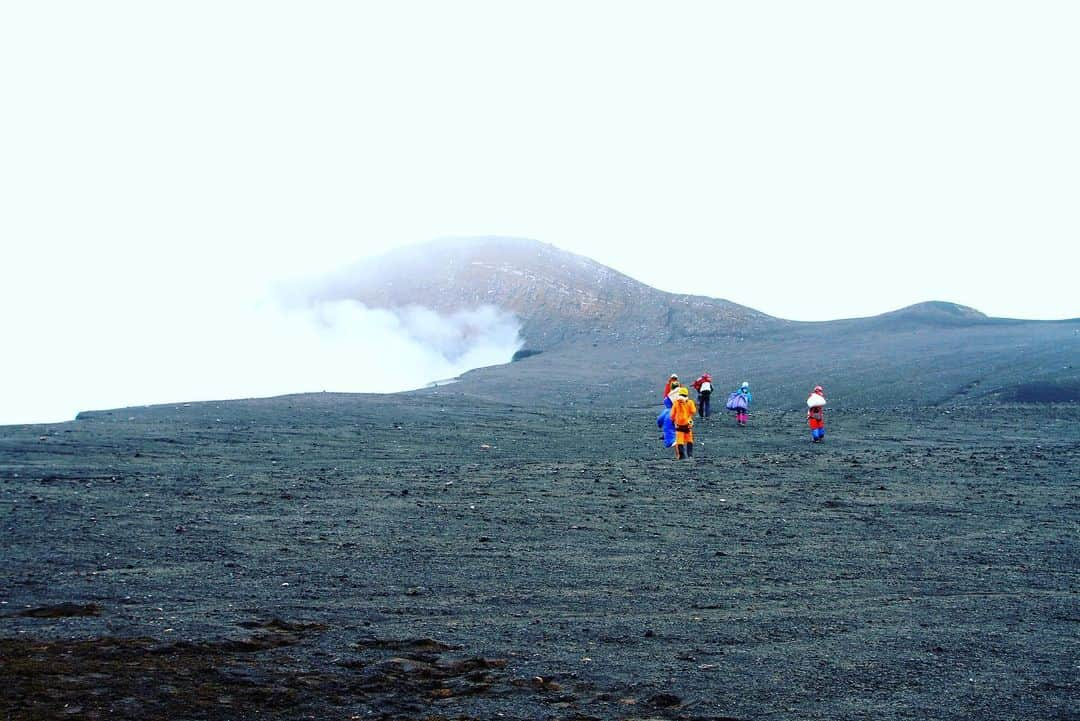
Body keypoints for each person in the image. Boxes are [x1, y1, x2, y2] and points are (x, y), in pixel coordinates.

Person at [670, 386, 697, 459]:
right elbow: (693, 411)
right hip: (687, 423)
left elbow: (672, 414)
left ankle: (682, 456)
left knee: (680, 439)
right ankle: (690, 455)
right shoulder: (690, 402)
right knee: (689, 439)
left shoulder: (676, 403)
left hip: (679, 424)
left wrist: (673, 420)